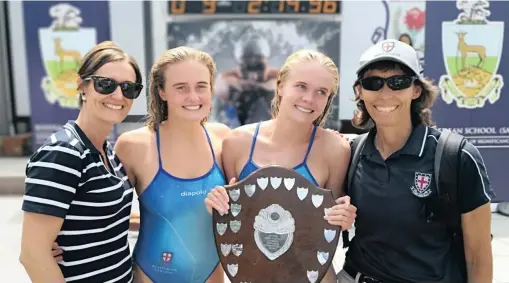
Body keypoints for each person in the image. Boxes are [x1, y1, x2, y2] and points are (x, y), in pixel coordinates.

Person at [336, 39, 495, 283]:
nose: (385, 93)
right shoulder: (351, 152)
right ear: (360, 91)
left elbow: (478, 256)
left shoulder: (458, 156)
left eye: (398, 82)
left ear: (416, 90)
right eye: (373, 83)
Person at [205, 49, 357, 282]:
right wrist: (215, 204)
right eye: (301, 86)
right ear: (280, 86)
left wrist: (344, 217)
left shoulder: (336, 149)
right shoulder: (238, 143)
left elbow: (330, 225)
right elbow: (230, 223)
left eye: (321, 92)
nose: (309, 98)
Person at [20, 41, 144, 283]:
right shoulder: (64, 152)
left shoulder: (108, 153)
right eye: (105, 84)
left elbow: (97, 220)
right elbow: (33, 254)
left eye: (129, 88)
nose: (118, 95)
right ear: (82, 85)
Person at [113, 46, 229, 283]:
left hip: (212, 275)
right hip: (151, 274)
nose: (193, 97)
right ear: (162, 91)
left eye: (201, 86)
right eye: (181, 88)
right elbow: (107, 211)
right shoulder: (134, 145)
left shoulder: (224, 139)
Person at [213, 36, 279, 127]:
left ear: (266, 64)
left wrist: (261, 87)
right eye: (247, 68)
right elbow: (220, 87)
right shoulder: (228, 78)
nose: (253, 76)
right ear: (239, 66)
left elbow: (287, 84)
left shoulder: (276, 75)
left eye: (259, 68)